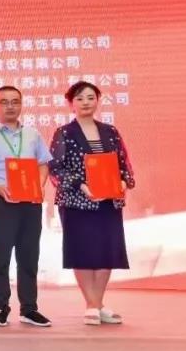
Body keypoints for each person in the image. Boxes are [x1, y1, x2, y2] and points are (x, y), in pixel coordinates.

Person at [49, 80, 135, 325]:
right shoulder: (65, 132)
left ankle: (97, 303)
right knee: (83, 252)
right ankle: (92, 305)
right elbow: (56, 167)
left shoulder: (110, 131)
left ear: (98, 100)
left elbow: (123, 163)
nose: (85, 102)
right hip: (77, 202)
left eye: (90, 97)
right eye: (79, 98)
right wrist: (82, 185)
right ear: (71, 104)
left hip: (108, 201)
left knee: (106, 251)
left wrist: (123, 182)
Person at [0, 85, 52, 328]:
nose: (10, 106)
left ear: (22, 104)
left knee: (29, 256)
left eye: (15, 101)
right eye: (4, 102)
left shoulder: (33, 134)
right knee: (1, 257)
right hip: (1, 201)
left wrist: (39, 184)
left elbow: (43, 163)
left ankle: (29, 309)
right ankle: (0, 308)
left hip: (30, 201)